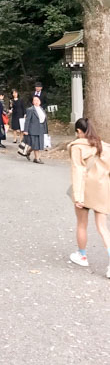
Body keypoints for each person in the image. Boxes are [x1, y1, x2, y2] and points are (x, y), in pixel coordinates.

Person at [67, 118, 110, 277]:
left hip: (84, 190)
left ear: (79, 131)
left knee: (82, 224)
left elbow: (78, 171)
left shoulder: (77, 147)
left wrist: (78, 196)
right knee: (103, 227)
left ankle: (82, 255)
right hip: (102, 189)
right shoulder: (105, 146)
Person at [19, 95, 48, 163]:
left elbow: (44, 120)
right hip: (33, 129)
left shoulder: (42, 109)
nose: (36, 102)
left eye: (37, 100)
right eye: (34, 100)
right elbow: (27, 120)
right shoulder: (30, 110)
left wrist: (45, 130)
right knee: (35, 144)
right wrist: (25, 130)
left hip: (41, 128)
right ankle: (37, 158)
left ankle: (28, 152)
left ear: (40, 102)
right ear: (32, 102)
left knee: (39, 144)